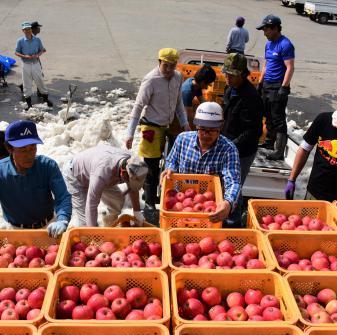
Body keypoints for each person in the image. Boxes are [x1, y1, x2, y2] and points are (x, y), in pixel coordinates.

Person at [0, 120, 72, 239]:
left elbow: (63, 197)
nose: (29, 155)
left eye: (32, 148)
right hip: (15, 231)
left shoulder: (47, 166)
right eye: (23, 150)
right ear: (9, 148)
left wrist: (62, 219)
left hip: (49, 228)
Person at [125, 48, 190, 209]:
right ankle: (149, 204)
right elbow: (138, 107)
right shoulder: (151, 80)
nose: (168, 70)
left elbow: (178, 103)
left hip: (167, 125)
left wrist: (185, 123)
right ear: (159, 62)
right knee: (151, 166)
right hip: (151, 127)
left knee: (168, 163)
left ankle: (153, 195)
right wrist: (130, 134)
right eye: (165, 66)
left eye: (172, 66)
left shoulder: (178, 77)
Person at [162, 102, 241, 224]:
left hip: (210, 210)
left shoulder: (228, 150)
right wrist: (169, 168)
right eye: (202, 129)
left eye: (212, 130)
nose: (205, 134)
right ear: (196, 126)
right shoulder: (182, 140)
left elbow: (233, 181)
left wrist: (228, 203)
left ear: (220, 127)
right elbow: (172, 161)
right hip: (180, 205)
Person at [65, 145, 149, 227]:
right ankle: (92, 234)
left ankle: (108, 227)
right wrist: (93, 233)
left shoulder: (132, 161)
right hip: (76, 175)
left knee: (117, 201)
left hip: (99, 171)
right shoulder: (102, 173)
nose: (129, 183)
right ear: (122, 173)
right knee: (85, 222)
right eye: (129, 181)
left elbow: (133, 188)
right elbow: (91, 205)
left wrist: (137, 212)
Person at [221, 53, 264, 185]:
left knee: (233, 186)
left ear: (243, 74)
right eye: (226, 74)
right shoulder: (229, 88)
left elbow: (252, 131)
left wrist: (230, 147)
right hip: (227, 143)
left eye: (232, 75)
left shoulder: (251, 98)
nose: (227, 77)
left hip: (243, 152)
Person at [257, 14, 295, 160]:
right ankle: (268, 143)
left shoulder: (285, 44)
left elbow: (290, 67)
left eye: (266, 30)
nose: (264, 33)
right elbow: (266, 64)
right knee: (268, 116)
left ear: (274, 28)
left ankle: (278, 151)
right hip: (267, 84)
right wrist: (260, 82)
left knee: (277, 118)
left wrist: (283, 88)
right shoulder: (268, 44)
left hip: (277, 86)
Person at [15, 22, 52, 109]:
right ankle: (29, 104)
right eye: (25, 29)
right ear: (23, 31)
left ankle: (46, 99)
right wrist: (24, 56)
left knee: (40, 81)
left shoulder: (37, 40)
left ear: (31, 29)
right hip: (25, 64)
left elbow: (42, 50)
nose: (27, 31)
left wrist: (38, 55)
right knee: (27, 83)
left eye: (29, 29)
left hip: (35, 63)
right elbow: (16, 52)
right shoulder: (20, 41)